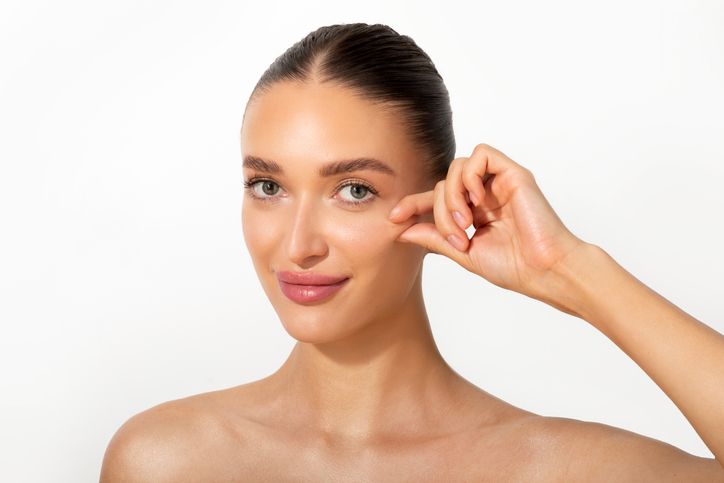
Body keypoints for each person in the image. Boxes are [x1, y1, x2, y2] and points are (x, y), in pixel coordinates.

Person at [100, 23, 724, 481]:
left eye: (354, 190)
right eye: (268, 187)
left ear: (436, 198)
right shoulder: (167, 460)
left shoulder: (558, 470)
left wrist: (569, 270)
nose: (297, 245)